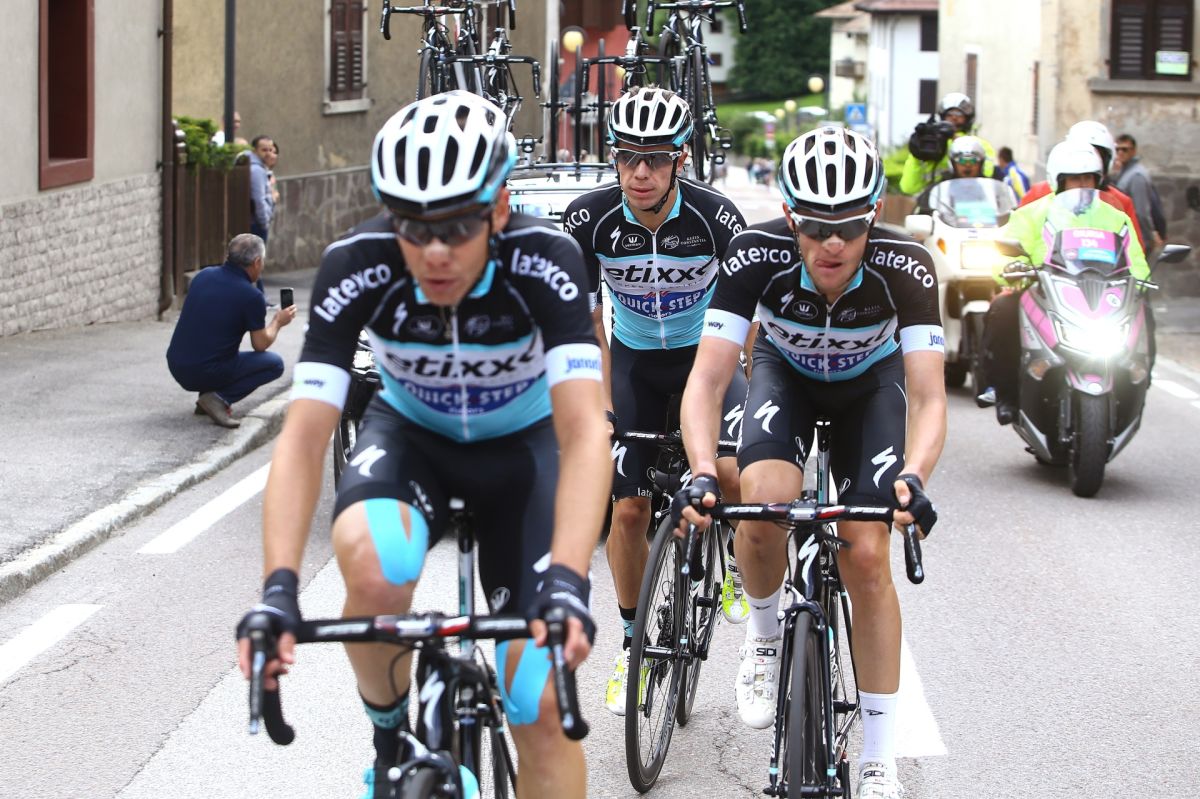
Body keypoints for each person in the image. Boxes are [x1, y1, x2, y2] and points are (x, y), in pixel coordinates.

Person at [234, 91, 609, 799]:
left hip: (525, 456)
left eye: (460, 225)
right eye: (411, 224)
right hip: (414, 441)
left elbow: (586, 429)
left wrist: (567, 579)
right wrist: (279, 589)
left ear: (500, 209)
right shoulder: (357, 262)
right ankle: (389, 732)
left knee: (541, 705)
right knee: (373, 567)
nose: (435, 250)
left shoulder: (547, 259)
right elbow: (305, 436)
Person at [675, 126, 945, 799]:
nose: (833, 244)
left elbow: (929, 395)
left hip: (869, 388)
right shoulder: (753, 253)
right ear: (790, 216)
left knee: (867, 555)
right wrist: (703, 468)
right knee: (760, 505)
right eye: (817, 226)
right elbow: (708, 379)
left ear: (873, 216)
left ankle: (878, 757)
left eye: (850, 227)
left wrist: (914, 477)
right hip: (785, 376)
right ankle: (765, 637)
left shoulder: (906, 265)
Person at [561, 86, 752, 717]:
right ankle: (633, 644)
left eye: (656, 159)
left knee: (733, 472)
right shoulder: (589, 220)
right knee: (627, 512)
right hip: (635, 365)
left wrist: (750, 377)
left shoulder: (716, 217)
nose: (640, 172)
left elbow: (750, 316)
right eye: (628, 157)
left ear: (680, 160)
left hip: (707, 364)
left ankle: (731, 559)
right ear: (614, 157)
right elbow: (589, 328)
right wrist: (600, 409)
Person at [978, 138, 1148, 423]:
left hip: (1102, 296)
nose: (1082, 185)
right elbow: (1001, 253)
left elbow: (1136, 261)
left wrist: (1140, 283)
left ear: (1097, 180)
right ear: (1059, 181)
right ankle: (1005, 393)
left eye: (1088, 178)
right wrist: (1012, 268)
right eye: (1074, 179)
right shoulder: (1032, 213)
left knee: (1143, 313)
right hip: (1043, 290)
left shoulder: (1115, 217)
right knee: (1002, 309)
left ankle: (1136, 387)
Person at [166, 234, 296, 428]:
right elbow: (260, 344)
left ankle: (206, 398)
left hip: (177, 365)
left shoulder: (203, 276)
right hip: (206, 370)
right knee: (274, 364)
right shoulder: (252, 296)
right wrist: (278, 321)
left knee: (213, 348)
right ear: (256, 262)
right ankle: (219, 398)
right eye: (262, 262)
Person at [1018, 120, 1146, 250]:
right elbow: (1016, 239)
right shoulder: (1038, 194)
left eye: (1096, 155)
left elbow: (1134, 251)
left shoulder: (1120, 202)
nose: (1087, 162)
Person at [899, 92, 996, 196]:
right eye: (949, 114)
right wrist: (917, 154)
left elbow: (987, 175)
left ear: (967, 118)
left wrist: (957, 139)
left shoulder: (978, 144)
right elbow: (908, 188)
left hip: (971, 196)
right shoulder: (931, 142)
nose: (954, 118)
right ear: (942, 116)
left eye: (959, 114)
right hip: (936, 199)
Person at [1113, 134, 1166, 255]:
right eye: (1117, 149)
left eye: (1125, 149)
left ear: (1133, 151)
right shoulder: (1124, 172)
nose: (1120, 153)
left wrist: (1150, 235)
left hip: (1137, 239)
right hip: (1125, 236)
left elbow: (1142, 212)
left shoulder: (1137, 176)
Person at [248, 135, 277, 243]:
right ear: (255, 151)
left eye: (270, 150)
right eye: (264, 150)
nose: (268, 153)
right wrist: (264, 222)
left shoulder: (260, 168)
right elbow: (258, 199)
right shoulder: (257, 170)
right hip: (256, 224)